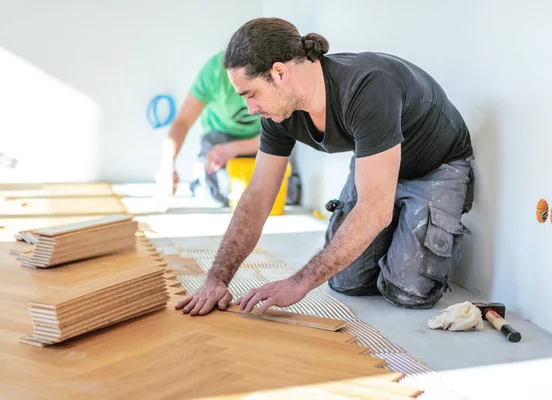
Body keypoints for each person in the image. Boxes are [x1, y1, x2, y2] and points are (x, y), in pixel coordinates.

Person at [176, 17, 475, 316]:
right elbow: (257, 196)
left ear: (279, 73)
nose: (250, 109)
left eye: (250, 94)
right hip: (376, 168)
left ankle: (407, 223)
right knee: (346, 281)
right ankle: (398, 223)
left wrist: (298, 282)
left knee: (408, 292)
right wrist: (216, 279)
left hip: (436, 167)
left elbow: (373, 210)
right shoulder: (278, 112)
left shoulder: (368, 88)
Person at [155, 50, 261, 206]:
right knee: (222, 190)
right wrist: (167, 164)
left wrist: (235, 148)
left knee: (272, 189)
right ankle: (203, 182)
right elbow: (182, 121)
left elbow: (282, 134)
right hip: (219, 139)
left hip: (261, 141)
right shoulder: (215, 71)